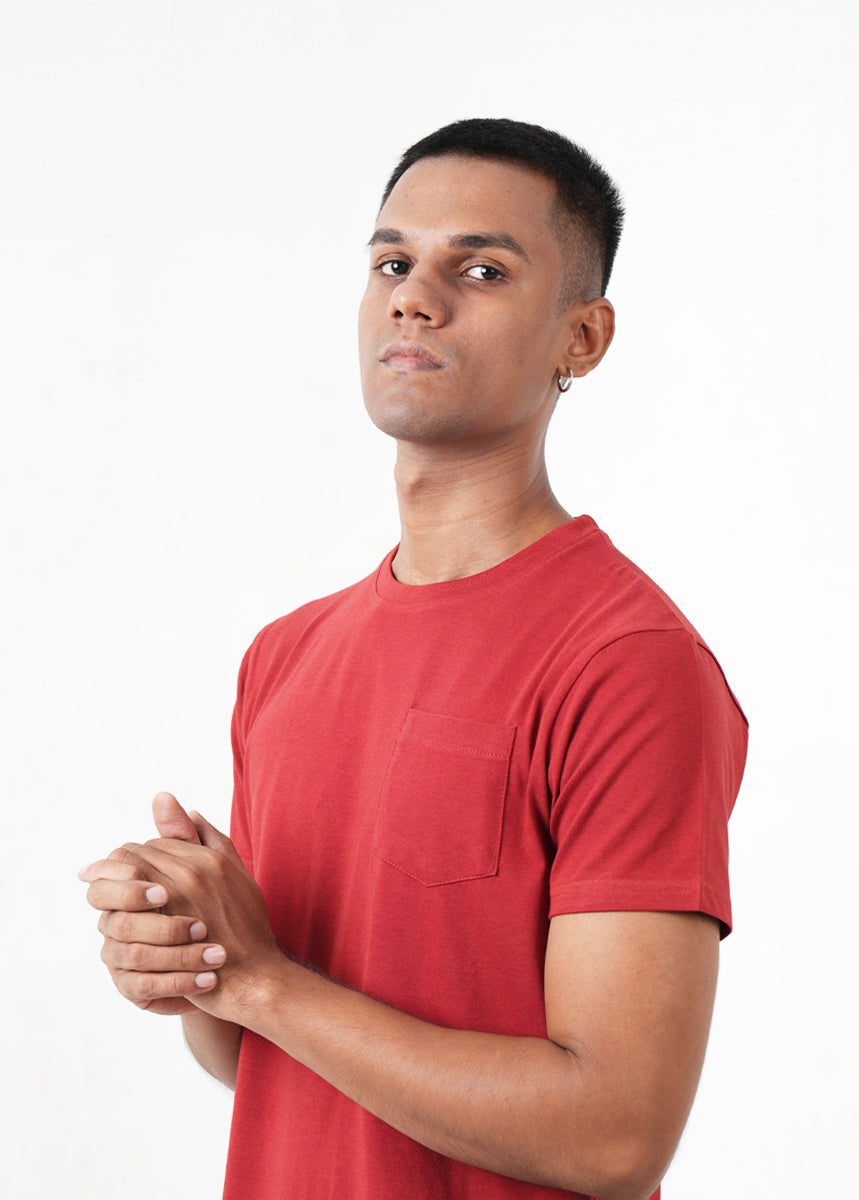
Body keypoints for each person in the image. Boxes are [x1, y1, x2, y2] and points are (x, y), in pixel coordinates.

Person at [79, 118, 748, 1200]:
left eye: (479, 268)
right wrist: (198, 963)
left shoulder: (629, 662)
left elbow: (614, 1138)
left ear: (582, 339)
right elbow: (260, 1054)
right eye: (392, 262)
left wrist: (263, 984)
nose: (415, 297)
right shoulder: (286, 657)